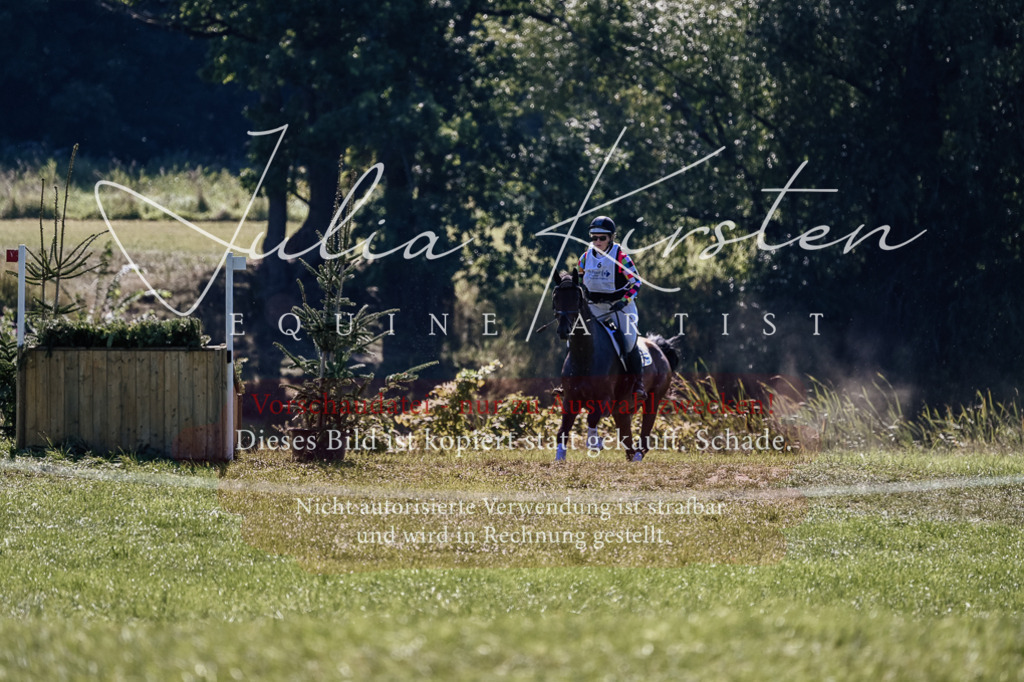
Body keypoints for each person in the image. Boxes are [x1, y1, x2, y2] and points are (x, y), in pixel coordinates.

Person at [577, 215, 647, 401]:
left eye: (602, 237)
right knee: (576, 337)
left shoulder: (621, 257)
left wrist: (624, 301)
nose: (597, 241)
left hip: (619, 307)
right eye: (594, 237)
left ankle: (638, 383)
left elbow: (636, 282)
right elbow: (579, 282)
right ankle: (570, 381)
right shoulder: (584, 258)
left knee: (629, 340)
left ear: (611, 238)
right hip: (595, 307)